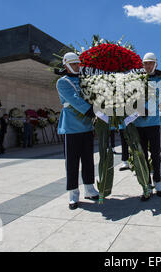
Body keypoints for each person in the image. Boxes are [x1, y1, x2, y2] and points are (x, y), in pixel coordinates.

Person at [57, 52, 99, 210]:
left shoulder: (85, 80)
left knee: (88, 160)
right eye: (73, 64)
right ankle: (73, 193)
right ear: (66, 65)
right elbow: (74, 99)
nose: (76, 66)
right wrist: (92, 111)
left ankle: (89, 188)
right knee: (72, 162)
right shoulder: (62, 82)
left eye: (77, 64)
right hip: (71, 126)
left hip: (87, 126)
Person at [134, 52, 161, 200]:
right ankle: (146, 186)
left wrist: (146, 109)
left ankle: (158, 184)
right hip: (139, 124)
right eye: (145, 63)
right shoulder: (136, 80)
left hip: (153, 123)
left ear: (156, 64)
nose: (147, 66)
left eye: (150, 63)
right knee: (142, 156)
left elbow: (159, 99)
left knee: (156, 154)